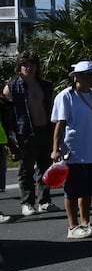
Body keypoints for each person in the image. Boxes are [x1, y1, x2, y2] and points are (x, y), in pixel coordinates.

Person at [51, 61, 92, 239]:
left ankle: (85, 223)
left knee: (88, 189)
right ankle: (72, 226)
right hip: (74, 150)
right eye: (85, 74)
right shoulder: (67, 96)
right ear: (76, 76)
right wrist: (55, 149)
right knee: (72, 190)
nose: (89, 78)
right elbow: (60, 124)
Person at [4, 52, 57, 216]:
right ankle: (27, 202)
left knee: (46, 168)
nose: (28, 68)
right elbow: (6, 114)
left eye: (31, 64)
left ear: (37, 66)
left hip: (45, 129)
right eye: (25, 64)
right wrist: (11, 137)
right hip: (24, 132)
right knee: (26, 170)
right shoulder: (12, 86)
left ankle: (45, 201)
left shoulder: (46, 85)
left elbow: (54, 109)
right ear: (19, 67)